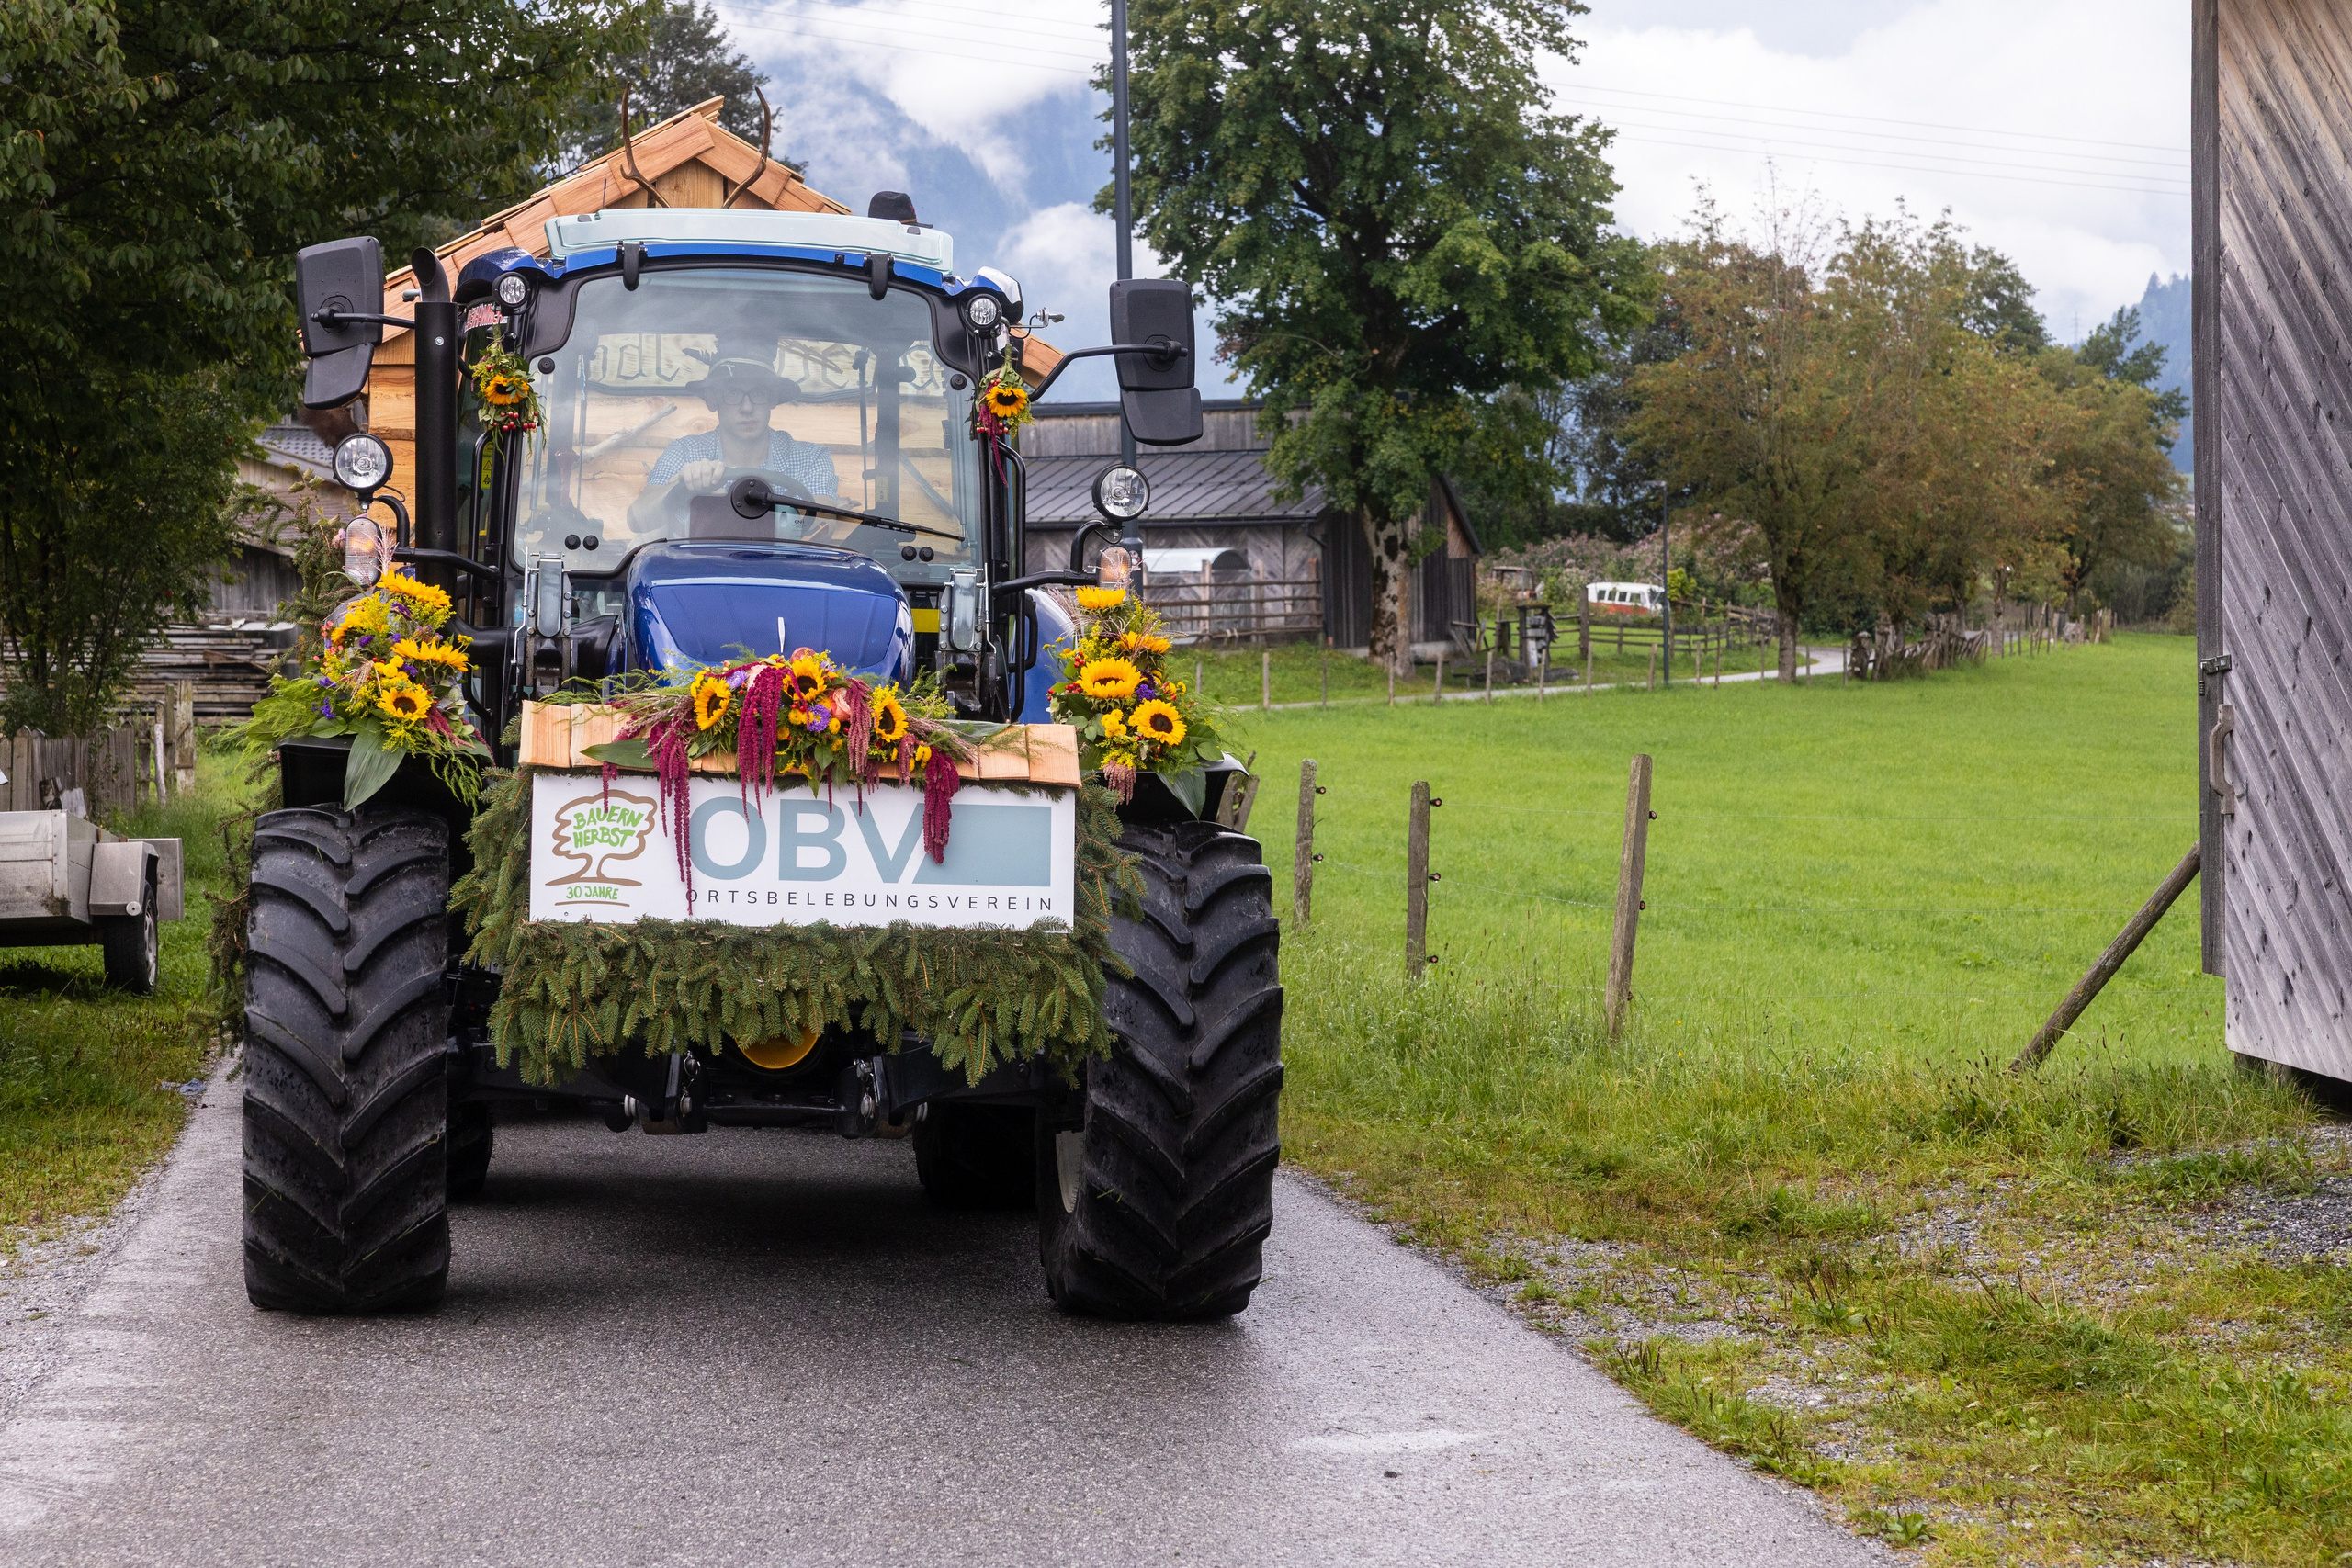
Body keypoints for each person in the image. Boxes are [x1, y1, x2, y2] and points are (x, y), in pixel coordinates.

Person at [628, 356, 848, 536]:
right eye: (733, 393)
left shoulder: (810, 457)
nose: (747, 407)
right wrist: (679, 486)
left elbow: (824, 523)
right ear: (712, 400)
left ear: (772, 399)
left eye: (758, 393)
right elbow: (638, 518)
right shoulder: (685, 453)